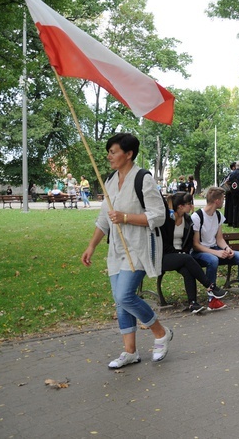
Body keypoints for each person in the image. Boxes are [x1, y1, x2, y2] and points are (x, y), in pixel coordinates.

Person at [80, 133, 172, 369]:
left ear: (128, 154)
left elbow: (159, 216)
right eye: (109, 151)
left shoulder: (143, 179)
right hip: (117, 250)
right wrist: (91, 246)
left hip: (139, 249)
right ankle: (130, 352)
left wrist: (126, 217)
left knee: (124, 296)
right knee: (120, 302)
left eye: (114, 152)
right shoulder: (110, 181)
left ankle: (161, 333)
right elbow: (104, 218)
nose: (109, 156)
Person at [191, 187, 239, 305]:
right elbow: (196, 245)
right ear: (217, 201)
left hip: (215, 250)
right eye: (223, 199)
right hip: (200, 253)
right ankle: (212, 298)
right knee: (212, 260)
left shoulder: (218, 215)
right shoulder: (197, 217)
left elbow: (219, 239)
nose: (224, 201)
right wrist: (216, 253)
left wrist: (227, 248)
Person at [161, 192, 228, 313]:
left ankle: (193, 303)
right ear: (180, 206)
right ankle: (210, 286)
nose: (192, 206)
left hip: (181, 256)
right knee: (187, 258)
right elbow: (163, 244)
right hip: (164, 256)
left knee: (188, 270)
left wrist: (182, 253)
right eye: (189, 203)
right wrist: (179, 253)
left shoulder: (187, 220)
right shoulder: (167, 220)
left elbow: (188, 243)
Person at [225, 161, 239, 227]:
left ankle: (234, 223)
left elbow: (226, 182)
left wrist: (230, 189)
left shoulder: (231, 174)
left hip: (233, 193)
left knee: (234, 207)